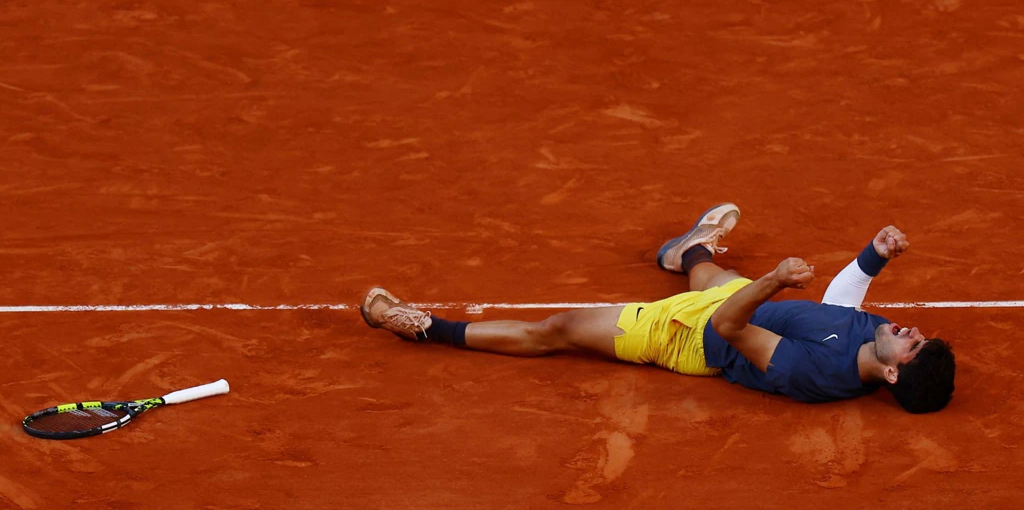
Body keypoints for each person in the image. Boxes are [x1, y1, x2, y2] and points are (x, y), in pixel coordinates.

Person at [360, 204, 956, 413]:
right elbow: (841, 309)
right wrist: (873, 258)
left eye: (913, 344)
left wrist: (774, 279)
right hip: (733, 300)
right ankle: (688, 248)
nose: (911, 330)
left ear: (894, 372)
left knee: (560, 329)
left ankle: (426, 328)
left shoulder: (812, 375)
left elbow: (727, 324)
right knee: (708, 273)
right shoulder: (874, 337)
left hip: (690, 337)